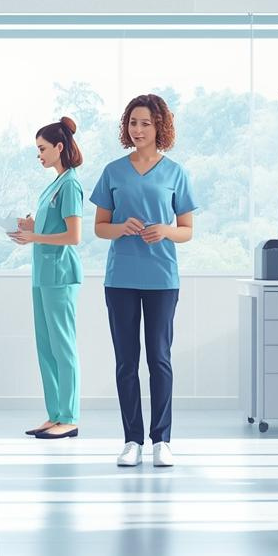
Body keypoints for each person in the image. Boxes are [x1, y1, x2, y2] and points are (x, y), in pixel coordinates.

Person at [91, 94, 197, 469]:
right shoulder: (113, 171)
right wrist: (121, 227)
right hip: (120, 277)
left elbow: (187, 231)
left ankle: (161, 440)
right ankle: (132, 439)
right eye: (133, 122)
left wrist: (165, 231)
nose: (138, 129)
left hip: (162, 278)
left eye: (146, 123)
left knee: (159, 359)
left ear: (160, 128)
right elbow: (100, 227)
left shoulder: (175, 173)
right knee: (126, 362)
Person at [10, 117, 86, 440]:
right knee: (46, 347)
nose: (39, 155)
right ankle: (55, 413)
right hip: (42, 275)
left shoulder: (70, 184)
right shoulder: (52, 185)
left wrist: (36, 239)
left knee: (63, 347)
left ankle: (69, 416)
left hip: (60, 276)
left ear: (59, 147)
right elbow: (49, 229)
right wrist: (31, 229)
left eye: (42, 149)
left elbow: (73, 236)